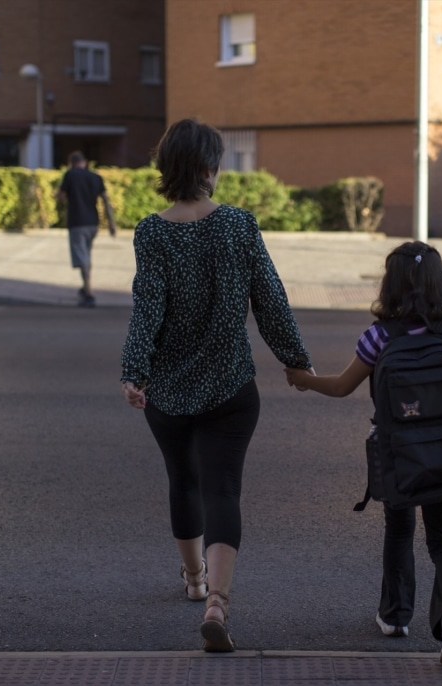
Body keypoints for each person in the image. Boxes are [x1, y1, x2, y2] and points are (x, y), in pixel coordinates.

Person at [120, 118, 313, 652]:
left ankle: (193, 580)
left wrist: (134, 373)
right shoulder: (238, 225)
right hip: (231, 388)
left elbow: (147, 309)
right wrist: (296, 362)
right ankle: (217, 602)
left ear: (166, 169)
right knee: (223, 488)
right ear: (210, 168)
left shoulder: (151, 231)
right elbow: (270, 298)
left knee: (183, 483)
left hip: (170, 393)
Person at [285, 241, 442, 666]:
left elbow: (343, 386)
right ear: (439, 282)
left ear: (391, 284)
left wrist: (306, 378)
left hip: (399, 455)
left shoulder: (378, 337)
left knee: (399, 530)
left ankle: (395, 616)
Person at [57, 150, 117, 307]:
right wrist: (111, 223)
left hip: (77, 222)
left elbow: (61, 197)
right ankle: (85, 287)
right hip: (93, 223)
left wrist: (58, 197)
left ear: (72, 163)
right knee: (87, 255)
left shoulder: (70, 175)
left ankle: (89, 293)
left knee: (82, 257)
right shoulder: (96, 177)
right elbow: (106, 200)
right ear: (85, 162)